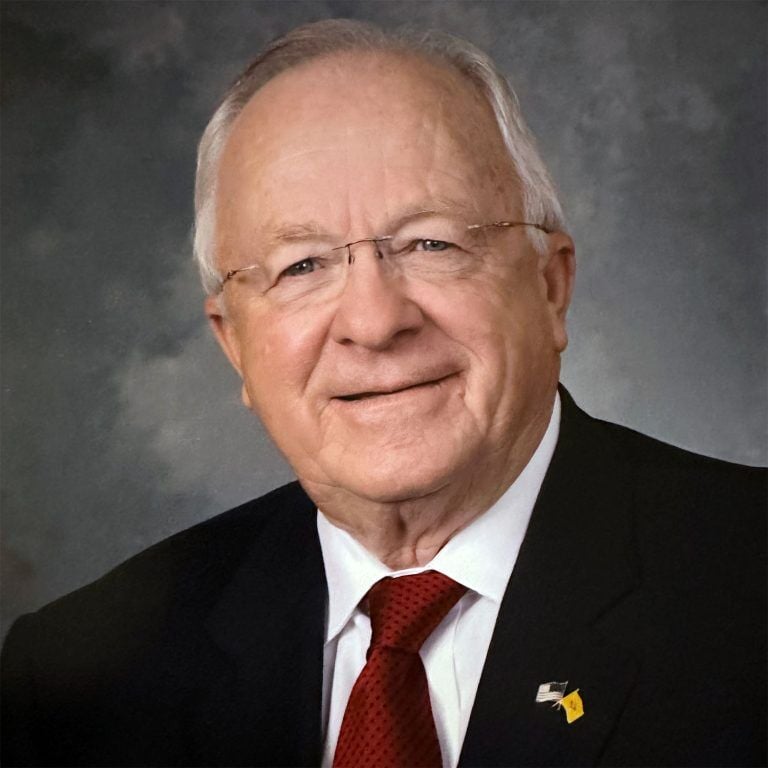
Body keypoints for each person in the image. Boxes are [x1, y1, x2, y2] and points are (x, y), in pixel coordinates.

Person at [2, 18, 765, 768]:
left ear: (549, 286)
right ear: (234, 344)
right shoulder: (77, 684)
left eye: (432, 242)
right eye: (302, 265)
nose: (374, 322)